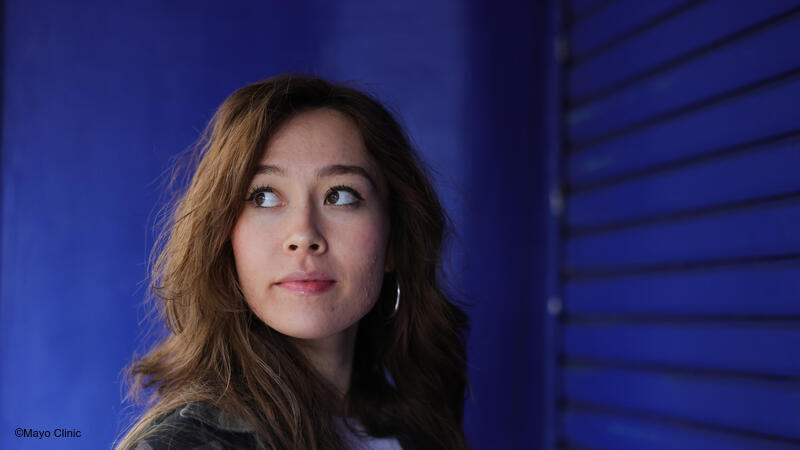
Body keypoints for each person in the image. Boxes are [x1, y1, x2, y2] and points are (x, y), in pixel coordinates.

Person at [114, 73, 471, 450]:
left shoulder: (424, 431)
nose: (304, 235)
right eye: (265, 197)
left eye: (341, 196)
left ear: (394, 241)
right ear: (223, 238)